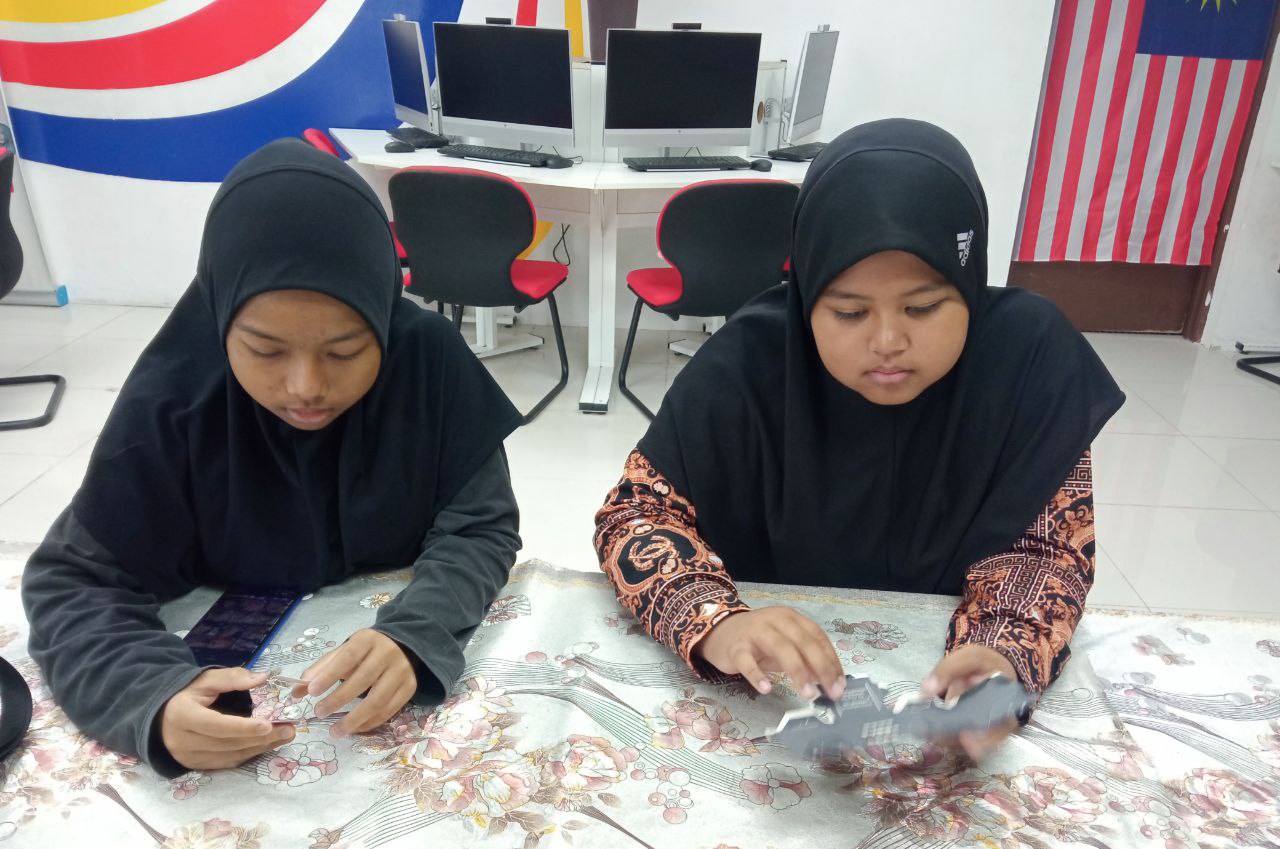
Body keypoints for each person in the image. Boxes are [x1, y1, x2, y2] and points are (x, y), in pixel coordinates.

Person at [595, 119, 1124, 759]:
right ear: (807, 295)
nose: (888, 342)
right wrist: (717, 622)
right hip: (773, 697)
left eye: (923, 307)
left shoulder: (1027, 361)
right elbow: (633, 516)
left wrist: (1002, 653)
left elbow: (1045, 550)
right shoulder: (751, 361)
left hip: (941, 695)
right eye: (848, 311)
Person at [23, 140, 524, 777]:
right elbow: (73, 579)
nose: (305, 387)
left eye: (344, 352)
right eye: (264, 350)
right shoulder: (178, 393)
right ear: (220, 318)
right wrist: (149, 694)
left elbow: (479, 526)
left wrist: (417, 630)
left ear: (382, 315)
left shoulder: (428, 361)